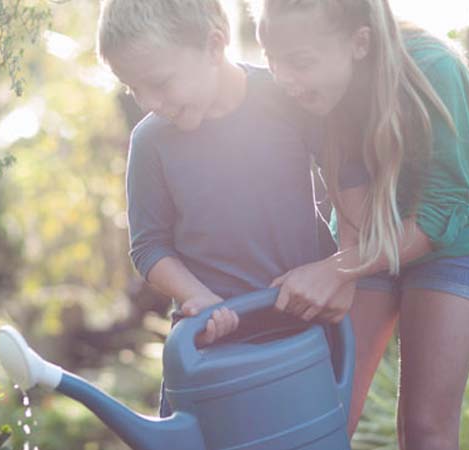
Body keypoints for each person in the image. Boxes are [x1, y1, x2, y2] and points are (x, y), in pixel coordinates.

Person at [256, 1, 469, 449]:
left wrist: (340, 268)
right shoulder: (305, 89)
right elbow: (342, 175)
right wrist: (347, 259)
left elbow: (441, 211)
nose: (285, 79)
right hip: (367, 229)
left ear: (359, 43)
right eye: (273, 61)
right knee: (326, 415)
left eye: (300, 63)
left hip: (457, 238)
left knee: (425, 426)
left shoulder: (433, 67)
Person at [96, 0, 327, 416]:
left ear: (214, 44)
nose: (148, 101)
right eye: (134, 88)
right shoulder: (150, 142)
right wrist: (198, 298)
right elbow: (148, 247)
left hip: (302, 337)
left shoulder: (286, 99)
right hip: (208, 348)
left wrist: (337, 270)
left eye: (160, 82)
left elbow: (350, 187)